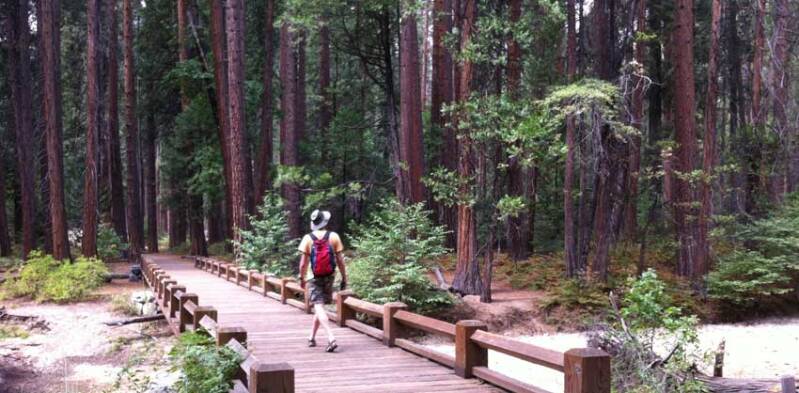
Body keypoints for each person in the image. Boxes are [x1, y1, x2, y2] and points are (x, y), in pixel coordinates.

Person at [298, 209, 347, 352]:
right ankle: (311, 337)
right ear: (325, 222)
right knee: (320, 307)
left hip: (313, 278)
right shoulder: (334, 237)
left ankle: (331, 338)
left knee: (318, 307)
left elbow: (303, 264)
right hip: (329, 276)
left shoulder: (308, 238)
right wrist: (344, 277)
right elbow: (340, 261)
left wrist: (301, 278)